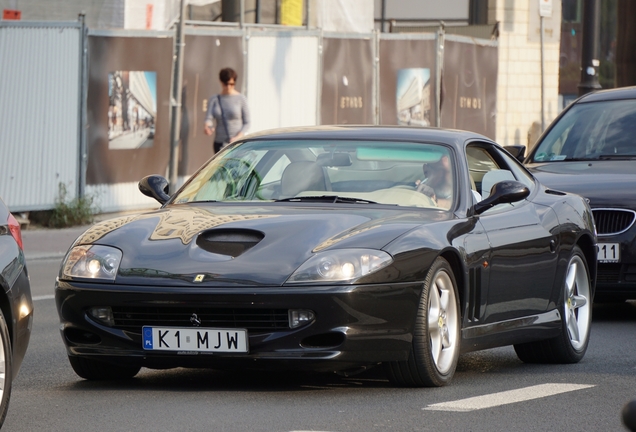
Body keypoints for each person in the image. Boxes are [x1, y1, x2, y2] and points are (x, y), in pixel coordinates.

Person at [204, 67, 251, 154]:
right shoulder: (215, 99)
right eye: (226, 84)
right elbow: (209, 118)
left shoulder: (241, 99)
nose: (228, 86)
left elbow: (247, 122)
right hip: (220, 143)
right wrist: (208, 126)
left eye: (231, 84)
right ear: (221, 82)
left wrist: (238, 137)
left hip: (237, 143)